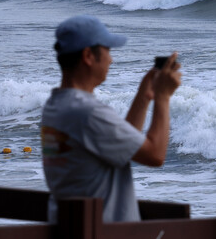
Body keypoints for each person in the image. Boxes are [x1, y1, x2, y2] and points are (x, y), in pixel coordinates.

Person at [40, 15, 182, 223]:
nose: (111, 59)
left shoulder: (56, 106)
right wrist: (163, 97)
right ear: (88, 55)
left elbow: (123, 148)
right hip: (102, 232)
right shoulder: (87, 112)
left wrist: (145, 95)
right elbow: (155, 155)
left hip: (72, 227)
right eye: (108, 50)